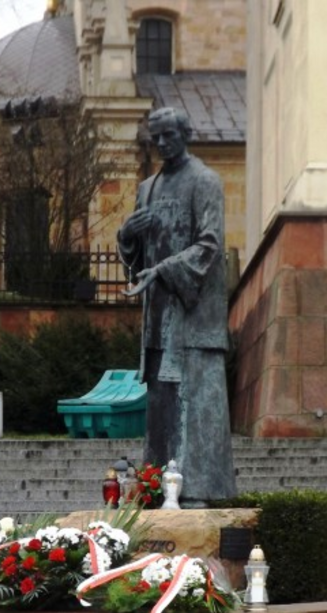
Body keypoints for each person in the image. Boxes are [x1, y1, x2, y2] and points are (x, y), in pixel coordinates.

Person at [116, 106, 236, 506]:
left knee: (194, 405)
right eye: (156, 137)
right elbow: (136, 259)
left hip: (193, 318)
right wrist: (126, 236)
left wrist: (164, 270)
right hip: (158, 317)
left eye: (169, 135)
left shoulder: (205, 181)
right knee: (162, 406)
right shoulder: (147, 188)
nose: (162, 143)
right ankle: (156, 489)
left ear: (185, 133)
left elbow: (210, 245)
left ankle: (197, 491)